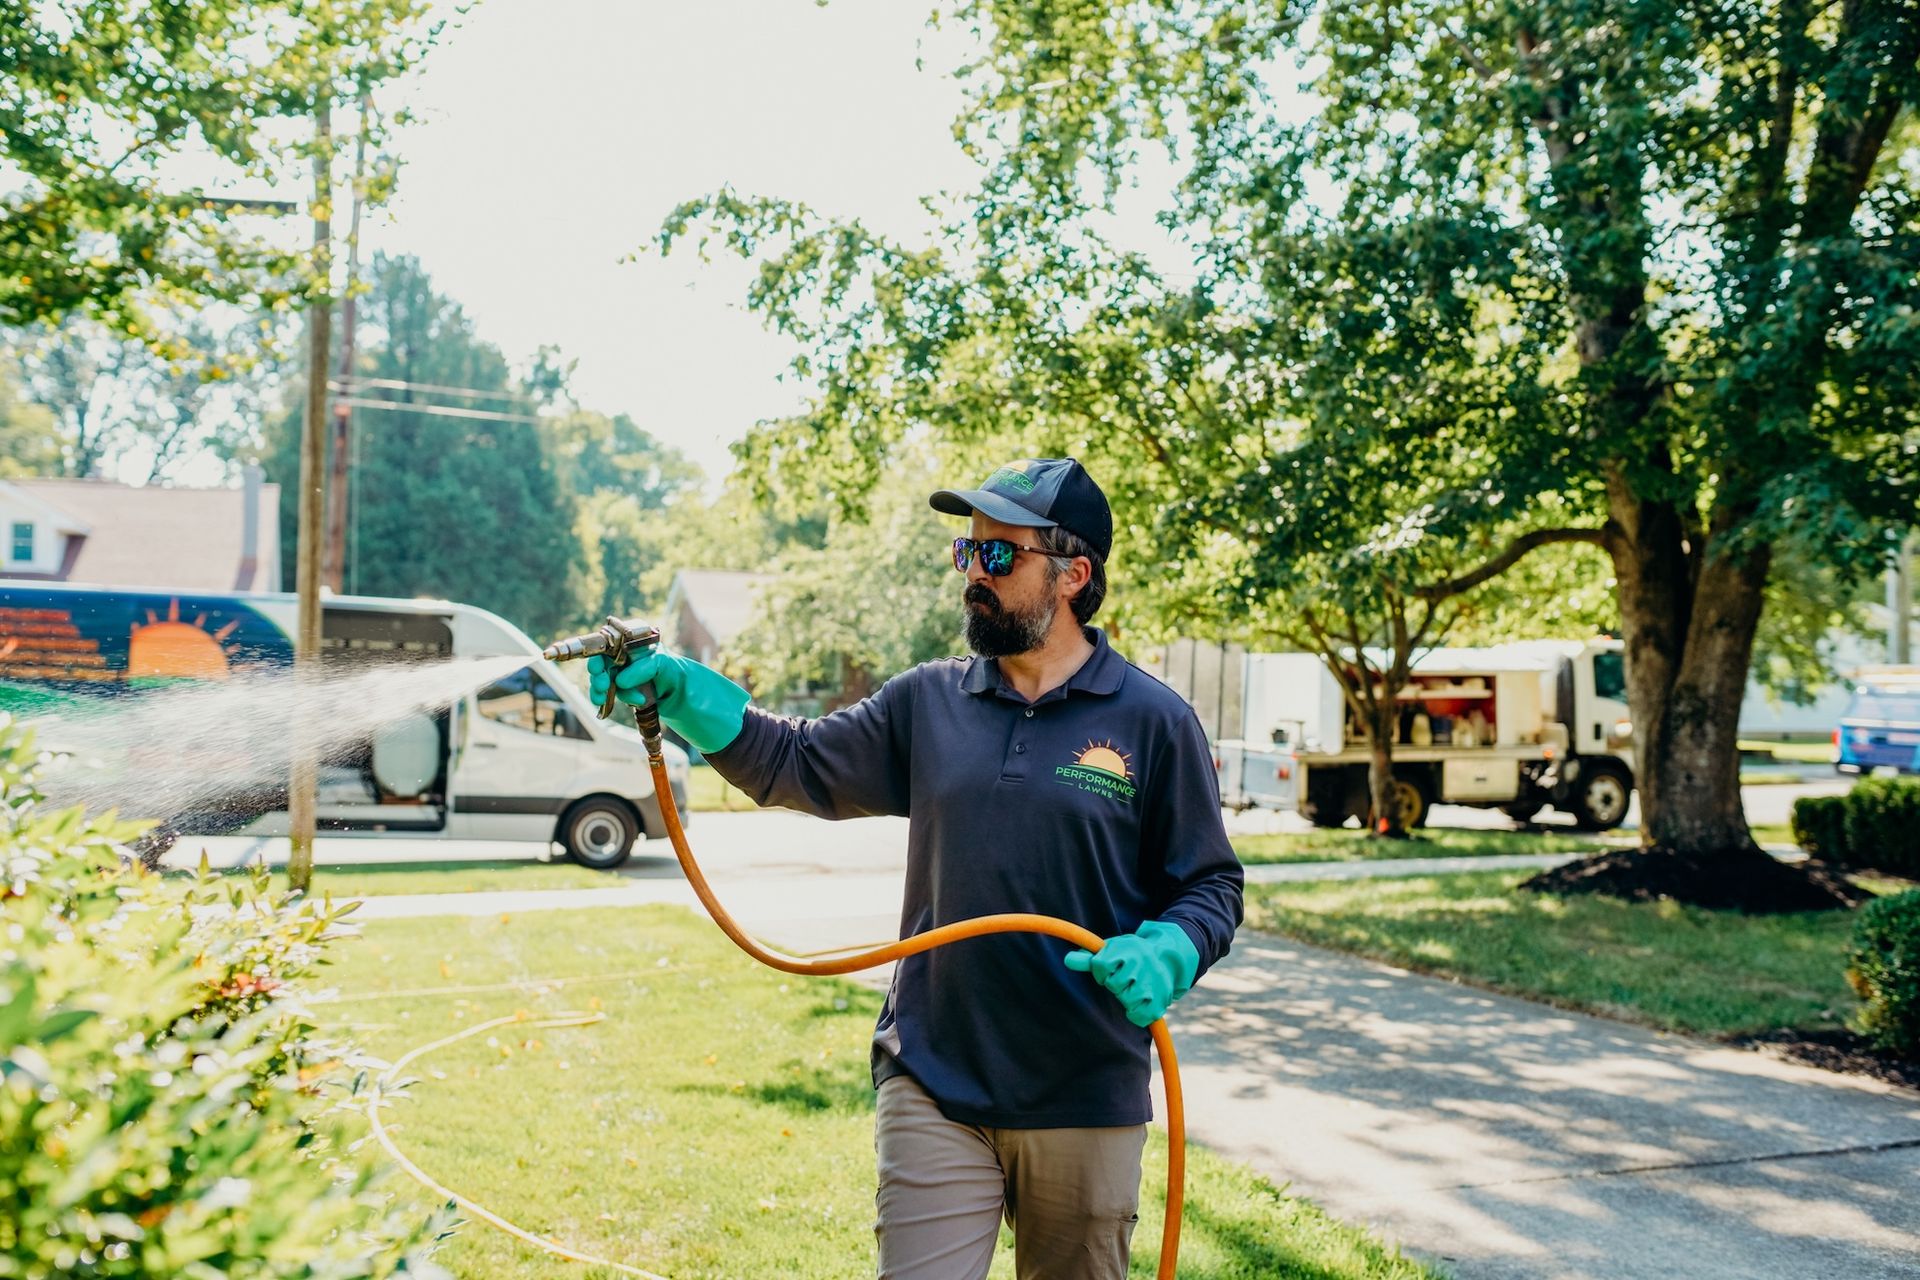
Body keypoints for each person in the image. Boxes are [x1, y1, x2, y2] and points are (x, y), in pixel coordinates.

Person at [589, 457, 1243, 1280]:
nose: (974, 575)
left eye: (999, 557)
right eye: (968, 554)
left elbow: (1211, 884)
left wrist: (1172, 949)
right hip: (933, 1076)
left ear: (1074, 574)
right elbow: (797, 761)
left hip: (1083, 1089)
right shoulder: (928, 702)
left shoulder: (1154, 721)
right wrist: (684, 694)